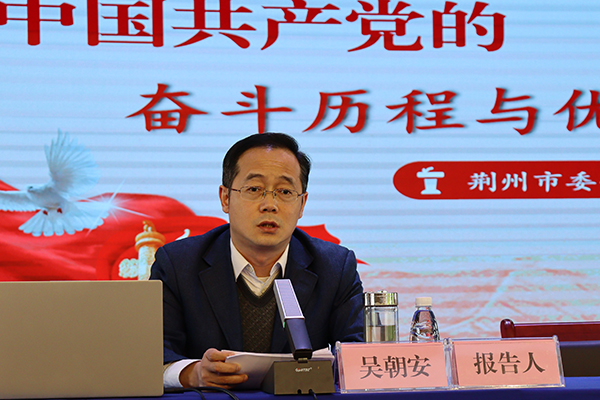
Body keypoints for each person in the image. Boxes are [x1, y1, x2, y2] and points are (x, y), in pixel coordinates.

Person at [150, 133, 364, 389]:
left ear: (302, 204)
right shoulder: (178, 264)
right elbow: (154, 354)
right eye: (254, 189)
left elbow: (357, 355)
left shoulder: (335, 267)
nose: (269, 204)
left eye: (285, 191)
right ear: (225, 198)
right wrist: (193, 374)